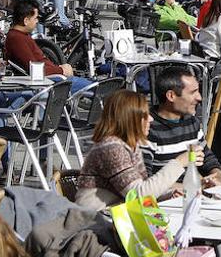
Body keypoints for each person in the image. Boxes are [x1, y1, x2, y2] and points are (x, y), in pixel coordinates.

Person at [74, 90, 203, 210]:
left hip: (116, 213)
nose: (151, 119)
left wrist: (169, 194)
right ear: (130, 119)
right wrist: (179, 163)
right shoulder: (111, 148)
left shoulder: (130, 145)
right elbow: (137, 194)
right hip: (97, 220)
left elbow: (142, 187)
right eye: (145, 116)